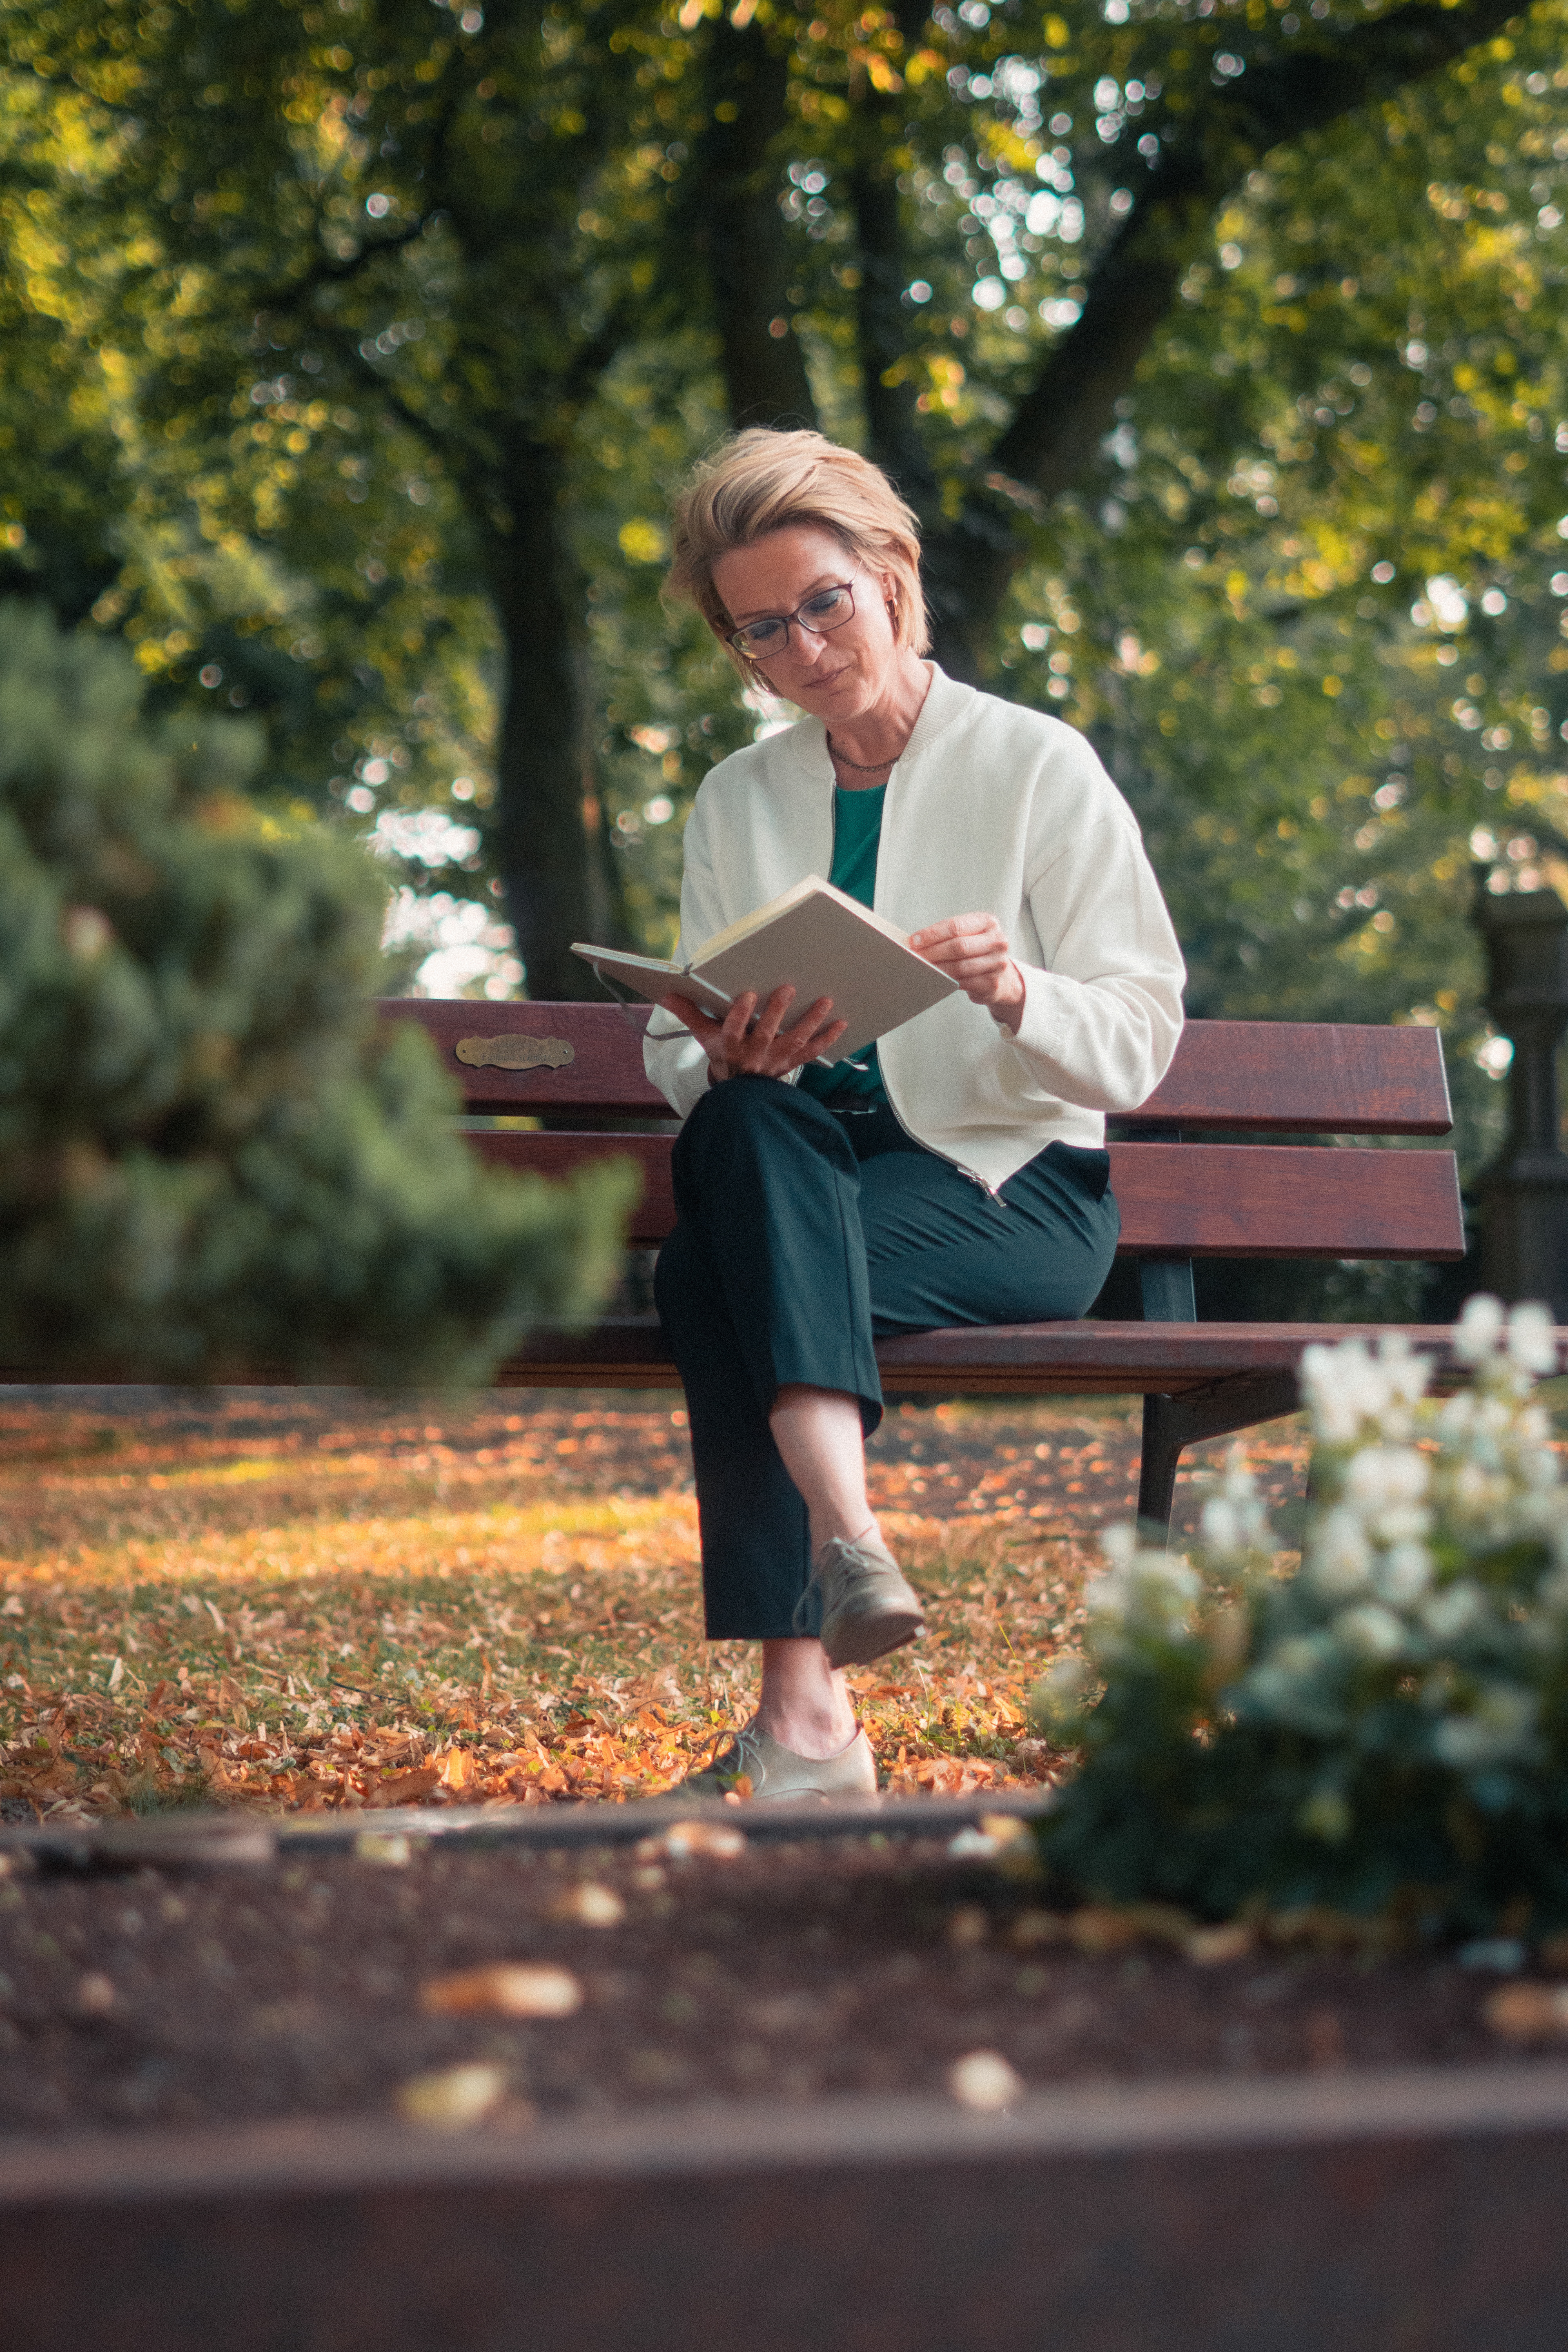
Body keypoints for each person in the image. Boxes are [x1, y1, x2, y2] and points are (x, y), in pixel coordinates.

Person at [644, 428, 1185, 1799]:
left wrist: (1020, 994)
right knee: (737, 1134)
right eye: (762, 631)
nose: (805, 648)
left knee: (715, 1270)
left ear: (889, 575)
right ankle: (852, 1548)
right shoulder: (736, 799)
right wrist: (727, 1046)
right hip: (808, 1165)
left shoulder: (1036, 765)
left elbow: (1140, 1040)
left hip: (1011, 1188)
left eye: (823, 602)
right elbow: (675, 1031)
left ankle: (809, 1719)